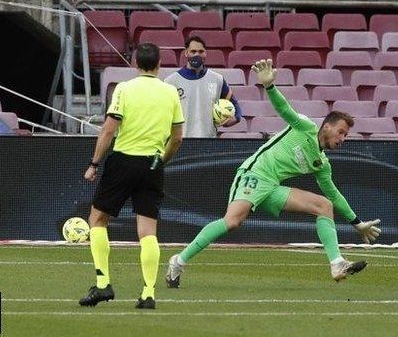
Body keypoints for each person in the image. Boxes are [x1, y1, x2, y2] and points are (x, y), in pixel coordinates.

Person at [165, 59, 381, 287]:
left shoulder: (322, 164)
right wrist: (269, 86)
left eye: (345, 136)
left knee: (325, 205)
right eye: (341, 132)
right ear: (326, 126)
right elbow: (284, 109)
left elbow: (335, 195)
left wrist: (357, 223)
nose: (342, 139)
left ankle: (337, 263)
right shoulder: (305, 127)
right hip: (254, 174)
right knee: (232, 222)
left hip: (272, 187)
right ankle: (178, 261)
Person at [79, 43, 185, 309]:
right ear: (159, 65)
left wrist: (94, 163)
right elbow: (177, 137)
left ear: (135, 64)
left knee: (98, 219)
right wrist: (162, 160)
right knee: (148, 230)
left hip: (124, 161)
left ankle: (103, 285)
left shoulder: (124, 89)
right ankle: (148, 293)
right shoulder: (170, 92)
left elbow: (108, 130)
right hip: (152, 164)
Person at [164, 35, 242, 137]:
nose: (197, 55)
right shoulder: (171, 81)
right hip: (181, 142)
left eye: (201, 51)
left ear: (206, 53)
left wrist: (236, 118)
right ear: (186, 53)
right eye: (193, 51)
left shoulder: (217, 79)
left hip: (209, 141)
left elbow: (234, 103)